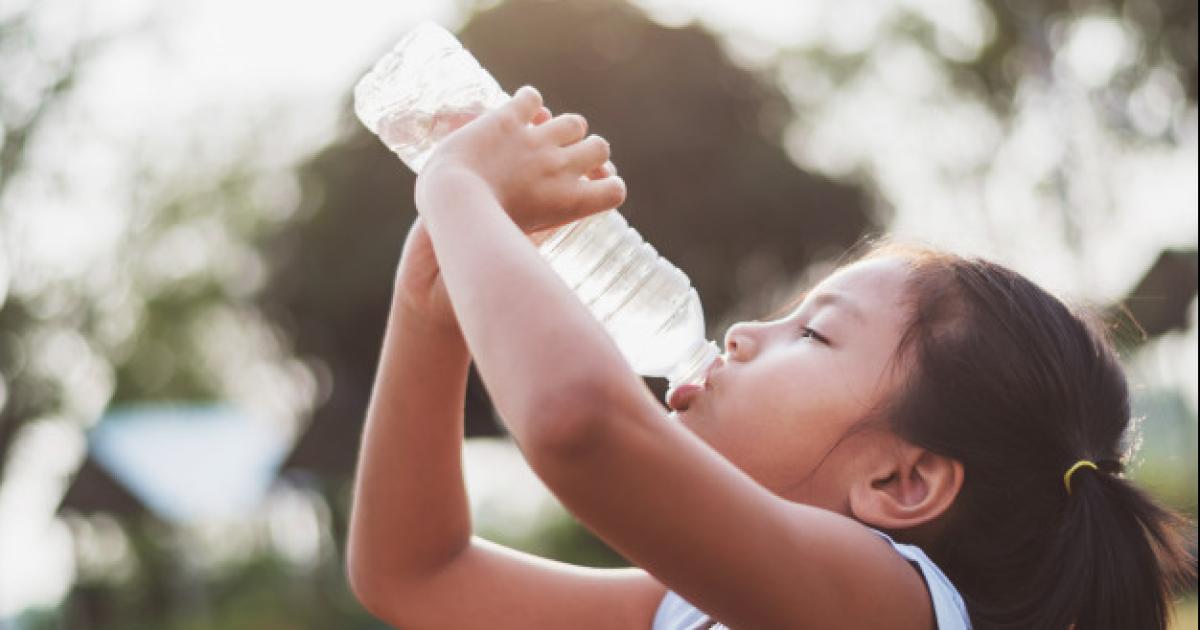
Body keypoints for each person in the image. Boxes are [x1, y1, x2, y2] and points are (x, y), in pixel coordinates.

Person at [345, 86, 1194, 629]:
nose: (747, 334)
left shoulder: (892, 603)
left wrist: (459, 188)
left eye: (813, 334)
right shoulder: (692, 608)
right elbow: (414, 574)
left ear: (904, 483)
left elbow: (581, 426)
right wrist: (429, 308)